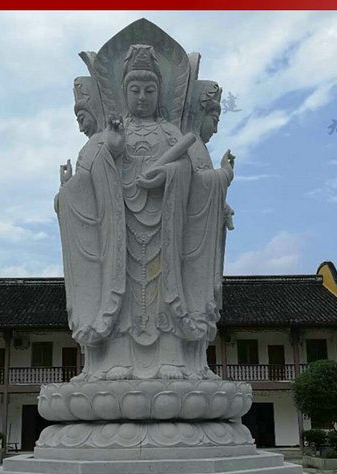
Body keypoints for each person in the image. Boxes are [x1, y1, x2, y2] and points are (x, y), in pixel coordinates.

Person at [56, 44, 234, 380]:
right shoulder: (105, 137)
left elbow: (202, 182)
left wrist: (190, 176)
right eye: (135, 90)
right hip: (118, 236)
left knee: (164, 297)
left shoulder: (174, 135)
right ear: (124, 93)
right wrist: (107, 155)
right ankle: (114, 360)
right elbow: (82, 186)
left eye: (149, 90)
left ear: (159, 93)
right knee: (121, 301)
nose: (141, 97)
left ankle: (173, 358)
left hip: (168, 236)